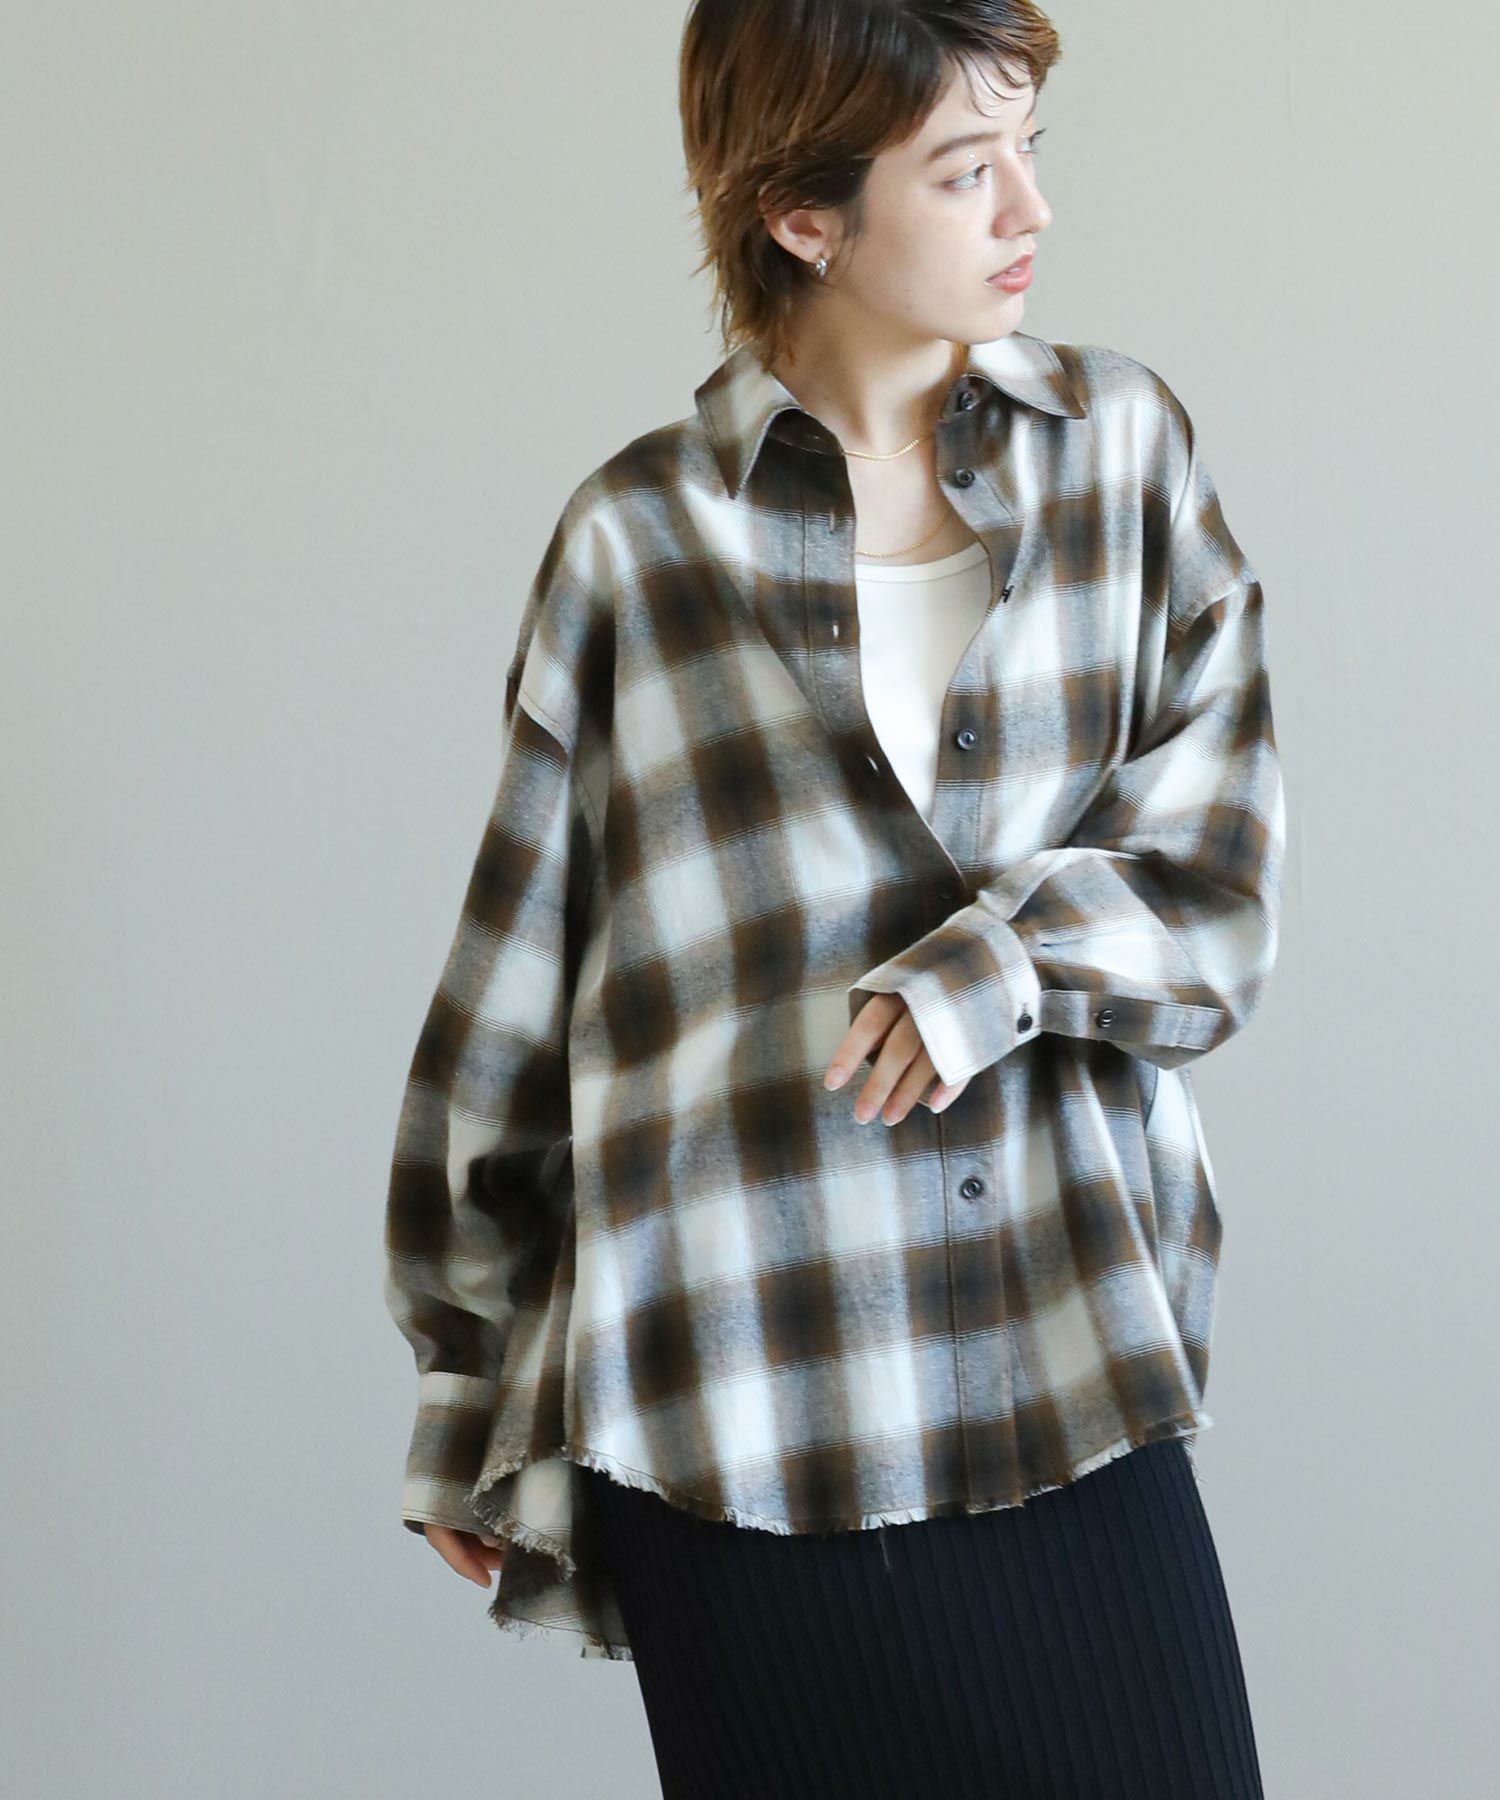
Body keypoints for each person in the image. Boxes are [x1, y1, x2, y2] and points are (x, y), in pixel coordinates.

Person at [382, 2, 1283, 1794]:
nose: (1028, 208)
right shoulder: (638, 545)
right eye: (962, 171)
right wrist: (467, 1380)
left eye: (1028, 148)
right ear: (804, 214)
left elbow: (1218, 886)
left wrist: (998, 965)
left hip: (1058, 1353)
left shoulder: (1122, 459)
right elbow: (517, 986)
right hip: (737, 1399)